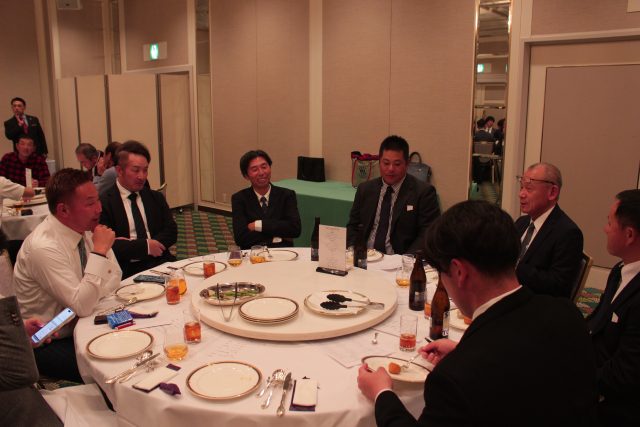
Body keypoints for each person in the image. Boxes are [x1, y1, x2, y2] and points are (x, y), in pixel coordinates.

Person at [357, 200, 598, 426]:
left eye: (441, 272)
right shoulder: (567, 314)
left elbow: (490, 366)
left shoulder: (455, 378)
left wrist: (382, 393)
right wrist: (465, 349)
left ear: (459, 272)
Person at [13, 169, 121, 383]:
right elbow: (82, 305)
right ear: (63, 210)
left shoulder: (84, 229)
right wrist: (99, 253)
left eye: (98, 200)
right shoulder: (44, 247)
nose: (99, 208)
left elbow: (115, 276)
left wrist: (88, 297)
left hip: (85, 320)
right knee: (113, 369)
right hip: (48, 339)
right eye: (90, 203)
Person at [587, 189, 640, 426]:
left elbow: (625, 374)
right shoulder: (620, 271)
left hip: (618, 406)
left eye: (610, 223)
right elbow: (597, 323)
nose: (605, 229)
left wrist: (575, 377)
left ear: (629, 235)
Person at [347, 135, 440, 255]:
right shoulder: (365, 189)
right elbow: (353, 226)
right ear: (379, 162)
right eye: (386, 163)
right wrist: (353, 251)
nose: (390, 169)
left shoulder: (423, 193)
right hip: (366, 257)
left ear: (407, 164)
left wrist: (406, 259)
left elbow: (427, 234)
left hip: (400, 259)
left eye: (397, 164)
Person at [99, 140, 177, 278]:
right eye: (135, 170)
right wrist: (146, 246)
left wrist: (148, 246)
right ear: (119, 170)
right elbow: (109, 245)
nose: (142, 176)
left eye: (145, 170)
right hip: (126, 270)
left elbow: (171, 231)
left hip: (160, 262)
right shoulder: (105, 202)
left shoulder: (155, 197)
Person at [515, 162, 583, 298]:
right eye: (521, 187)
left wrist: (514, 267)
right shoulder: (521, 222)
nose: (521, 194)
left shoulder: (568, 233)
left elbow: (558, 285)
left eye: (529, 188)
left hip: (536, 302)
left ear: (552, 192)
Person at [231, 150, 301, 249]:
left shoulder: (286, 195)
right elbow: (241, 238)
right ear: (246, 176)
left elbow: (295, 229)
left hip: (282, 252)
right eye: (255, 169)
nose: (261, 173)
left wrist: (258, 225)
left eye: (264, 167)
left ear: (270, 168)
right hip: (253, 254)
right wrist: (276, 236)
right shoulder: (239, 199)